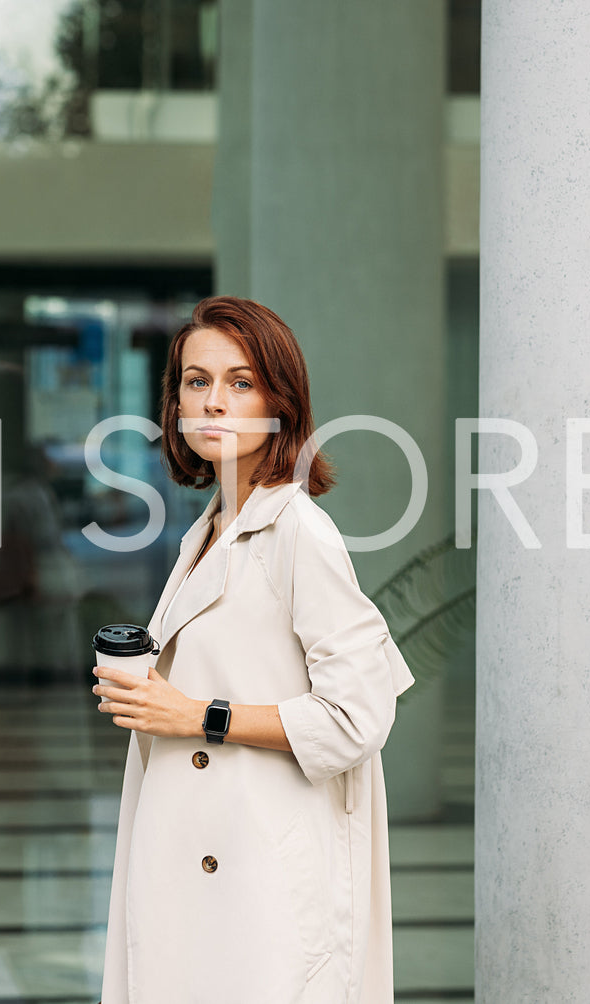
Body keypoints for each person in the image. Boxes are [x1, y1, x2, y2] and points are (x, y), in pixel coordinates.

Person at [94, 296, 416, 1003]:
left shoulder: (299, 530)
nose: (213, 402)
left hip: (260, 880)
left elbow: (357, 717)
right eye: (195, 381)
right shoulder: (209, 529)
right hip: (197, 858)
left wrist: (197, 715)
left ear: (280, 401)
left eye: (240, 383)